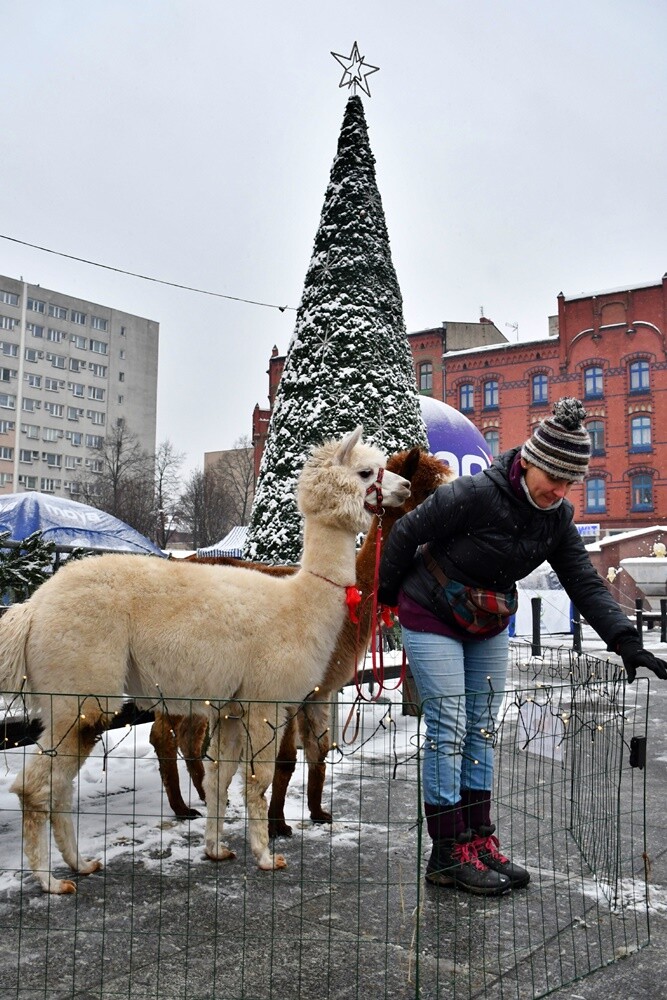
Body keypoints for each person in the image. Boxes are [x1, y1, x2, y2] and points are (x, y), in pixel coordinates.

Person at [377, 397, 667, 897]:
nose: (559, 490)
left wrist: (624, 640)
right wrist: (387, 598)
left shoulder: (556, 518)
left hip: (486, 619)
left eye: (569, 482)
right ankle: (446, 853)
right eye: (553, 477)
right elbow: (406, 530)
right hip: (430, 610)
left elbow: (584, 581)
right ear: (530, 462)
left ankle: (478, 840)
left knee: (482, 728)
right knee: (449, 725)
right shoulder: (474, 493)